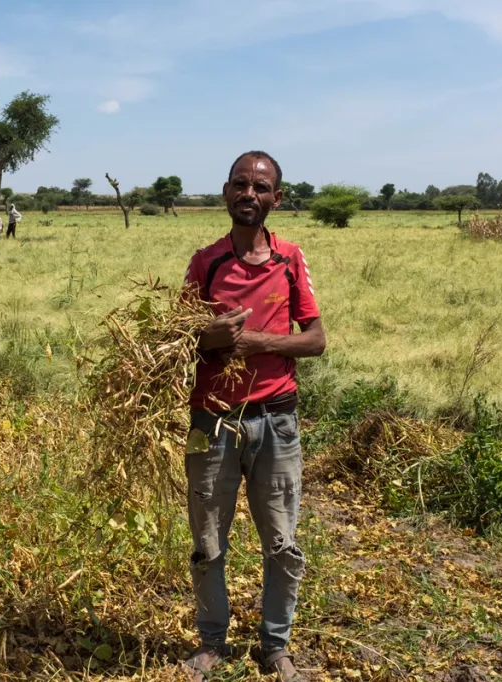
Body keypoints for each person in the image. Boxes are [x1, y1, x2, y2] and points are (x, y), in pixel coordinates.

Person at [180, 151, 326, 682]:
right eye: (240, 185)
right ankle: (211, 642)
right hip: (212, 420)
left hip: (276, 421)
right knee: (208, 540)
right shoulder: (206, 262)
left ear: (276, 198)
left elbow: (315, 340)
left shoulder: (290, 258)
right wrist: (210, 339)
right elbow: (174, 344)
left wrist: (254, 341)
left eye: (261, 187)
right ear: (225, 192)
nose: (249, 194)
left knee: (282, 541)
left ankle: (275, 646)